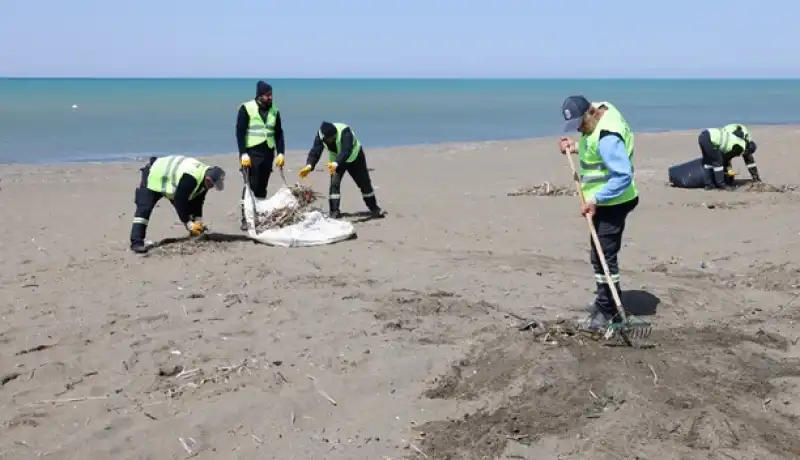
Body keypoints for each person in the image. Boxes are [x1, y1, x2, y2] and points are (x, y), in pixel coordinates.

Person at [559, 95, 639, 333]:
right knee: (599, 254)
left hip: (615, 200)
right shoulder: (603, 110)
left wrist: (595, 200)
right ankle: (606, 302)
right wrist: (573, 147)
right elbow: (591, 147)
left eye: (579, 123)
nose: (578, 128)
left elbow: (623, 175)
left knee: (603, 256)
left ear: (591, 113)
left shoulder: (607, 137)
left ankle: (608, 311)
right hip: (604, 200)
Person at [129, 155, 226, 254]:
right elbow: (179, 202)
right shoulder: (191, 178)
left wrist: (198, 219)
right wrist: (188, 223)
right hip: (153, 175)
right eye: (211, 185)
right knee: (144, 210)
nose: (211, 187)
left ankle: (194, 233)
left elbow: (198, 200)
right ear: (208, 179)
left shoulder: (204, 178)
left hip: (169, 182)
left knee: (187, 208)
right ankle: (136, 243)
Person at [298, 122, 384, 219]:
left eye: (333, 137)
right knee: (334, 184)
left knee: (364, 183)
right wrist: (309, 165)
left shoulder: (345, 132)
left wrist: (336, 163)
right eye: (329, 138)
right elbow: (315, 151)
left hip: (354, 158)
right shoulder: (321, 134)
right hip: (335, 162)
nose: (331, 140)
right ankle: (334, 212)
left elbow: (346, 150)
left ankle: (374, 209)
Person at [236, 80, 286, 230]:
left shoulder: (275, 110)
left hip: (268, 152)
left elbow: (278, 133)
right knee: (251, 185)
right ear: (259, 96)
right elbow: (240, 132)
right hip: (252, 152)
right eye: (267, 95)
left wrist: (281, 153)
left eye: (271, 95)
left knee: (262, 186)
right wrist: (243, 153)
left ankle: (258, 213)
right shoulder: (246, 108)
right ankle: (246, 218)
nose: (270, 98)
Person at [698, 124, 760, 190]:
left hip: (705, 136)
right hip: (712, 139)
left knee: (708, 162)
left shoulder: (740, 139)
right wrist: (729, 170)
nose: (739, 155)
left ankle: (709, 184)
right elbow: (725, 157)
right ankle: (721, 184)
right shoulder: (737, 145)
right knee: (718, 161)